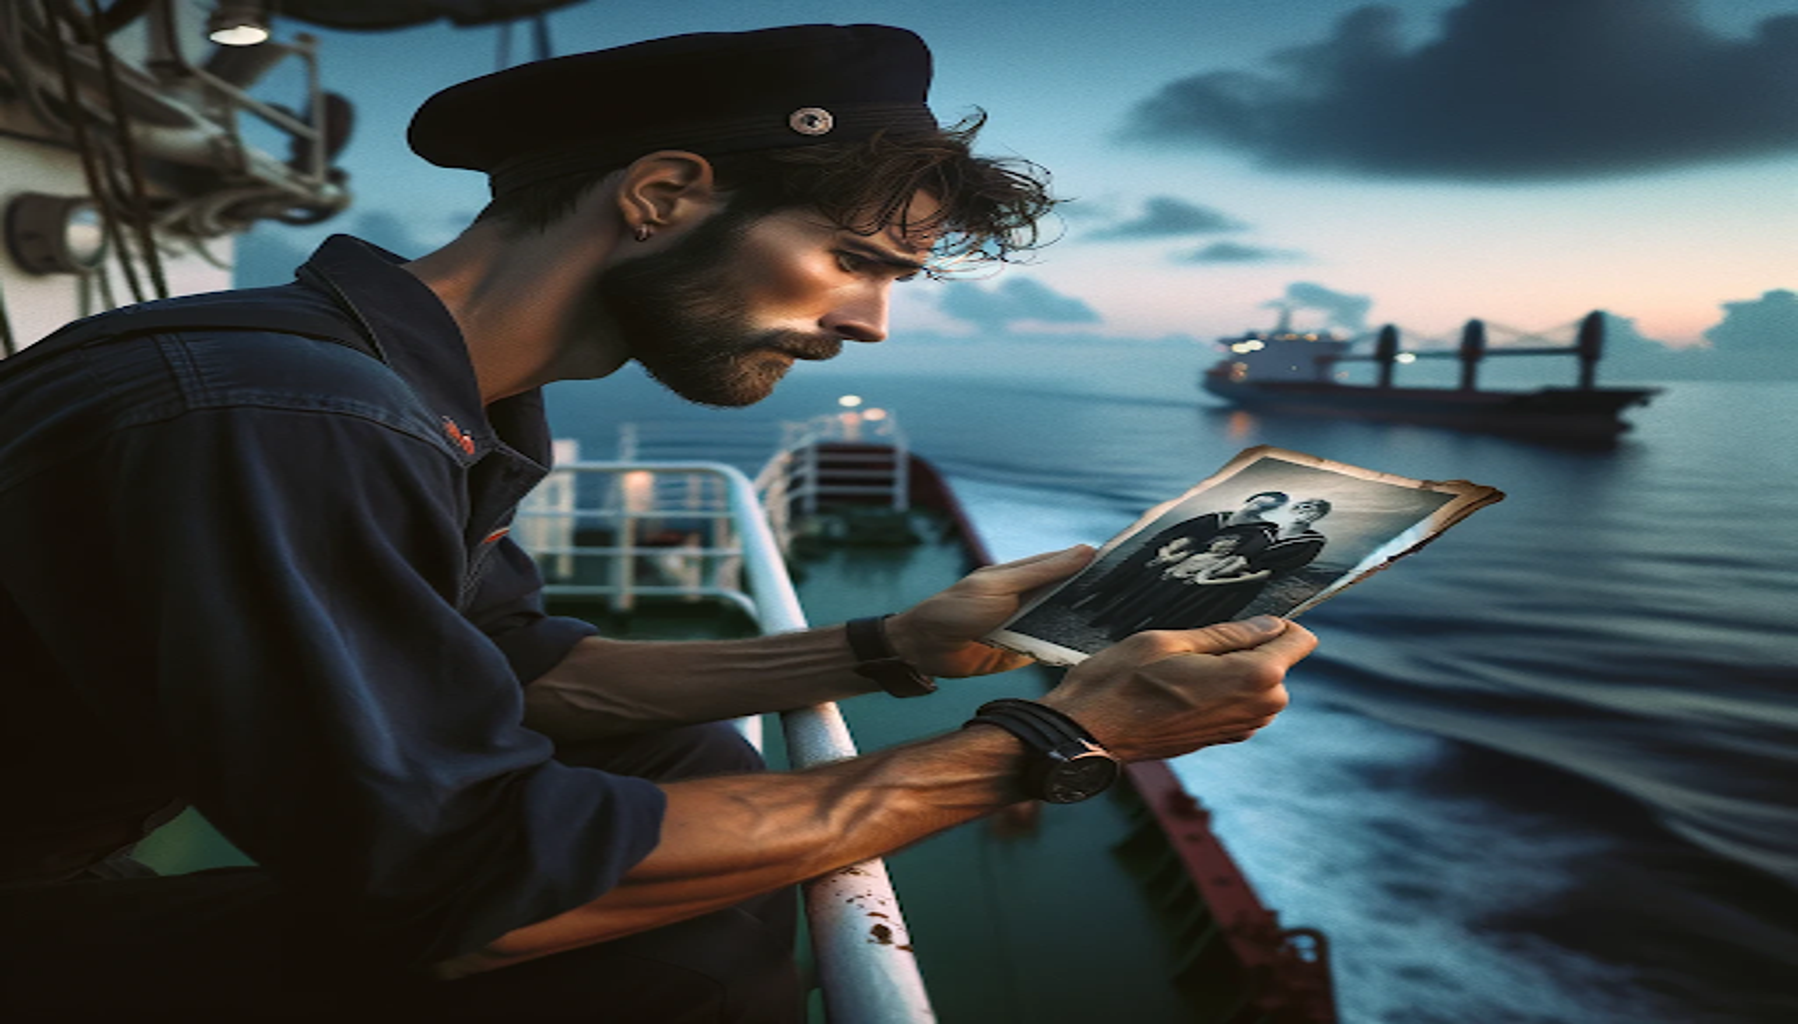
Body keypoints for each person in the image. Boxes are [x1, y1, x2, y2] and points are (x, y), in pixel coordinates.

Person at [0, 24, 1316, 1020]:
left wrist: (891, 645)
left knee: (676, 762)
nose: (869, 322)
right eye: (856, 261)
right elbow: (472, 882)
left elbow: (535, 673)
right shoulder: (300, 414)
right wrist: (1051, 738)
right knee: (646, 930)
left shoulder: (400, 386)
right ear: (661, 195)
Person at [1068, 490, 1288, 615]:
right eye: (1258, 502)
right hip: (1172, 549)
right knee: (1135, 565)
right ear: (1250, 499)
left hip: (1200, 560)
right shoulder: (1214, 517)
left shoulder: (1261, 529)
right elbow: (1174, 533)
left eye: (1266, 507)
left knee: (1166, 580)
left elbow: (1245, 551)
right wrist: (1164, 551)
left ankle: (1120, 610)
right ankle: (1095, 595)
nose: (1258, 508)